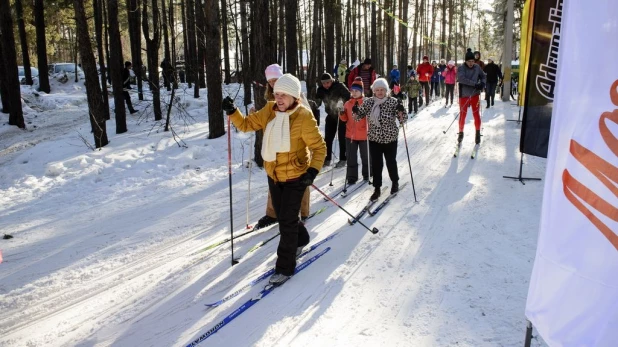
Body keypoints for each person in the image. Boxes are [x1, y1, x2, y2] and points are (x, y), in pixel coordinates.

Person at [223, 74, 326, 285]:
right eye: (277, 94)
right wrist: (233, 112)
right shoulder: (269, 110)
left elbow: (319, 148)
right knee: (284, 216)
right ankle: (303, 238)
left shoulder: (303, 116)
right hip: (274, 175)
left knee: (286, 224)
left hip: (296, 177)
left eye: (284, 95)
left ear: (294, 96)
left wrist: (312, 172)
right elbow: (246, 125)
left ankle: (285, 267)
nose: (278, 99)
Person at [255, 64, 313, 229]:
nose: (273, 83)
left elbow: (306, 112)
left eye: (276, 79)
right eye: (270, 81)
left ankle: (303, 211)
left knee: (300, 179)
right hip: (277, 144)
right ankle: (273, 213)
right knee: (275, 179)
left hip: (296, 143)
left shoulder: (294, 91)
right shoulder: (271, 96)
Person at [352, 78, 405, 200]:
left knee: (391, 162)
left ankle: (395, 182)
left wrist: (401, 112)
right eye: (377, 90)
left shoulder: (393, 102)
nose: (380, 92)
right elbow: (358, 117)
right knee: (376, 164)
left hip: (390, 138)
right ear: (374, 91)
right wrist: (355, 112)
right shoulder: (369, 102)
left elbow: (403, 119)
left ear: (386, 90)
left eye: (382, 90)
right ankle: (377, 188)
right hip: (374, 138)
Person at [316, 72, 351, 167]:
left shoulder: (339, 86)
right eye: (324, 83)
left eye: (328, 82)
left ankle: (343, 159)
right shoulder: (321, 89)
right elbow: (317, 101)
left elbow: (349, 97)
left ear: (331, 81)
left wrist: (342, 102)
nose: (326, 85)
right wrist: (313, 104)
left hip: (341, 115)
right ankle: (327, 158)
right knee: (328, 138)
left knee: (341, 137)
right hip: (331, 115)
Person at [340, 77, 370, 184]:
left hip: (364, 135)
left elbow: (370, 117)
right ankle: (352, 177)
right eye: (353, 91)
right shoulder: (348, 104)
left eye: (357, 91)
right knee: (351, 157)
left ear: (361, 91)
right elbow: (344, 119)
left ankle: (367, 174)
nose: (354, 93)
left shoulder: (366, 102)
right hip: (350, 135)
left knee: (365, 157)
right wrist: (342, 113)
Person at [457, 49, 486, 145]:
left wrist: (482, 83)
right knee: (463, 115)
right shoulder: (461, 68)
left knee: (476, 114)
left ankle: (477, 133)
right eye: (469, 61)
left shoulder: (477, 67)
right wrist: (475, 84)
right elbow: (461, 79)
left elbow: (483, 76)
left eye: (473, 61)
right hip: (464, 95)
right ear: (465, 61)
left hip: (474, 94)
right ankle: (461, 132)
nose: (471, 63)